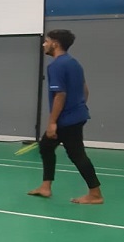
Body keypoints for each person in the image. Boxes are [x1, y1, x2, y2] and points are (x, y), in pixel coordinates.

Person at [28, 29, 103, 204]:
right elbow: (85, 89)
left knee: (77, 154)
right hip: (77, 115)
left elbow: (60, 95)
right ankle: (45, 187)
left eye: (47, 41)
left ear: (55, 44)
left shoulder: (56, 66)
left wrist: (52, 122)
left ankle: (95, 194)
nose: (44, 44)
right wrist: (78, 107)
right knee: (46, 146)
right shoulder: (74, 63)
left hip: (66, 120)